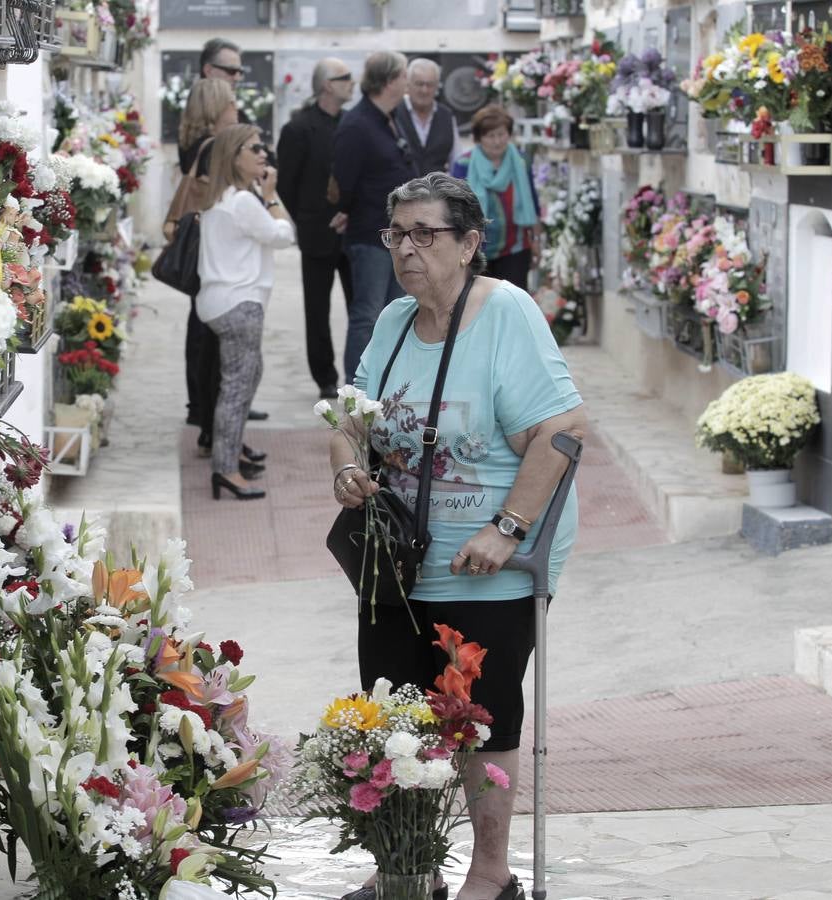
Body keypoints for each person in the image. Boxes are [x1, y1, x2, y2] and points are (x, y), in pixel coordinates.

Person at [329, 172, 586, 900]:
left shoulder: (508, 314)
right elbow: (350, 419)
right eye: (396, 234)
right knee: (390, 713)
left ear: (470, 244)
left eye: (425, 234)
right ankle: (405, 865)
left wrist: (507, 529)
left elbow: (563, 429)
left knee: (479, 714)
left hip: (488, 561)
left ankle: (491, 872)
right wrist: (349, 467)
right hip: (396, 557)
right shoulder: (392, 323)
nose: (406, 250)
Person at [197, 124, 295, 501]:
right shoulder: (243, 201)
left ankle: (231, 450)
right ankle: (226, 470)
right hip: (239, 302)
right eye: (254, 148)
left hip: (223, 300)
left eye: (263, 146)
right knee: (237, 388)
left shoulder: (225, 196)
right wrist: (270, 197)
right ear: (233, 155)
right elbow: (284, 235)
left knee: (246, 377)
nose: (263, 153)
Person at [331, 50, 416, 386]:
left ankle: (389, 384)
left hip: (397, 235)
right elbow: (345, 180)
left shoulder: (390, 117)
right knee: (367, 314)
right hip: (370, 235)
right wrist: (348, 211)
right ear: (390, 80)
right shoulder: (357, 123)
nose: (407, 82)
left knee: (397, 311)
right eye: (404, 75)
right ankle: (358, 388)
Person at [278, 57, 355, 400]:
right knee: (317, 309)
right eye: (345, 78)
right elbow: (287, 187)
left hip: (355, 232)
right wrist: (305, 219)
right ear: (327, 85)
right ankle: (325, 376)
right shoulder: (298, 128)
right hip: (317, 232)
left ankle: (361, 373)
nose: (352, 83)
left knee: (363, 308)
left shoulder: (355, 124)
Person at [175, 78, 238, 458]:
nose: (236, 109)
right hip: (214, 253)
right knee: (213, 340)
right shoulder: (212, 148)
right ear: (216, 109)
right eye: (230, 103)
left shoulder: (194, 144)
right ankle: (215, 425)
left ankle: (205, 416)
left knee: (202, 333)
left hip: (205, 253)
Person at [450, 105, 542, 289]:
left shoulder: (521, 161)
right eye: (490, 136)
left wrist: (536, 242)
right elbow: (454, 209)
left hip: (515, 247)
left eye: (501, 135)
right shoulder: (463, 164)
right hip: (475, 250)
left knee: (513, 304)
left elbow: (532, 202)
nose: (497, 141)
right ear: (479, 138)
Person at [404, 58, 463, 177]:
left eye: (430, 85)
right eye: (419, 84)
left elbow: (456, 160)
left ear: (437, 87)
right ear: (408, 84)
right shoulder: (394, 114)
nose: (424, 90)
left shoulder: (446, 116)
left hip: (436, 193)